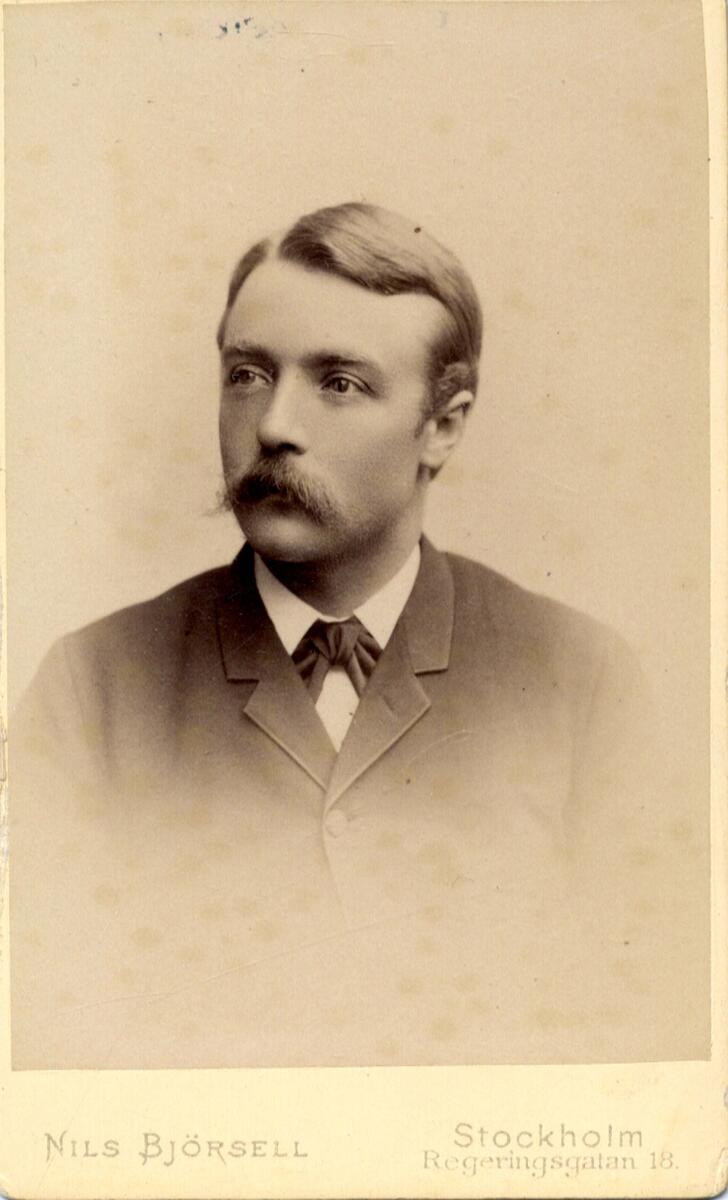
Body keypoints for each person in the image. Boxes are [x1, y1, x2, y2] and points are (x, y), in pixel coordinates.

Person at [10, 203, 705, 1070]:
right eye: (247, 374)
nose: (273, 426)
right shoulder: (91, 687)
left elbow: (648, 1026)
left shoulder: (579, 678)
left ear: (443, 426)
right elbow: (43, 1035)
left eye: (338, 383)